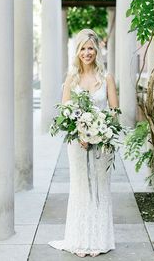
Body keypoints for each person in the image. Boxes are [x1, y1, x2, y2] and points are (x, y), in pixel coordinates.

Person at [48, 29, 119, 258]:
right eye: (83, 48)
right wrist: (80, 133)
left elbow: (115, 112)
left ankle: (99, 239)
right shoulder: (72, 78)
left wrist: (101, 131)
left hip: (102, 144)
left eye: (91, 48)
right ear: (77, 51)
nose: (87, 53)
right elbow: (65, 113)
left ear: (97, 50)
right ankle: (79, 239)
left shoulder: (106, 77)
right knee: (80, 188)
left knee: (100, 188)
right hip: (77, 146)